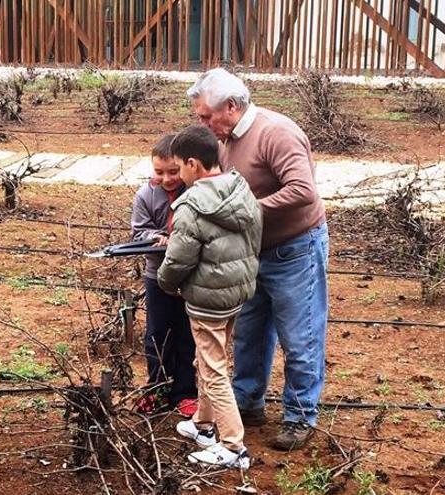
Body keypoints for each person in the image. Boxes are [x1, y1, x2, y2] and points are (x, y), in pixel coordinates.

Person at [187, 68, 329, 450]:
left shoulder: (275, 133)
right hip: (252, 252)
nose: (202, 124)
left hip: (294, 248)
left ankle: (300, 416)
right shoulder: (225, 138)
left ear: (230, 107)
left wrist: (246, 210)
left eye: (205, 116)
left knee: (300, 337)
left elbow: (303, 191)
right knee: (250, 332)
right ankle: (248, 401)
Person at [157, 125, 262, 468]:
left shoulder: (191, 205)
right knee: (207, 359)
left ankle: (233, 448)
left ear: (192, 164)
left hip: (206, 300)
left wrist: (166, 283)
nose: (177, 175)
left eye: (179, 167)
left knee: (214, 370)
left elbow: (178, 258)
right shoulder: (238, 188)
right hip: (235, 293)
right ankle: (203, 425)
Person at [131, 134, 198, 417]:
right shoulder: (145, 195)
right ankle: (157, 389)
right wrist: (155, 237)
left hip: (189, 277)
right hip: (157, 275)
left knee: (187, 334)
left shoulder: (194, 192)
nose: (168, 178)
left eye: (173, 171)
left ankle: (185, 392)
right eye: (159, 172)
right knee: (157, 334)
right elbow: (137, 232)